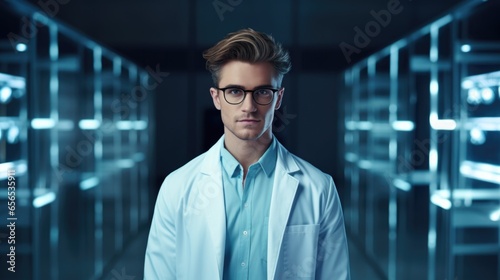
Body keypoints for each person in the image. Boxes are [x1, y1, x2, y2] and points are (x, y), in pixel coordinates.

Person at [144, 28, 350, 280]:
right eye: (235, 91)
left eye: (263, 91)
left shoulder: (319, 188)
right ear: (216, 98)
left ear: (278, 98)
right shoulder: (177, 187)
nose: (249, 106)